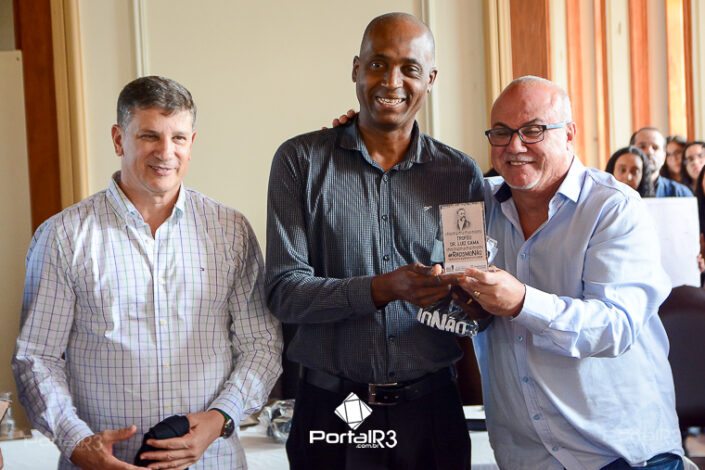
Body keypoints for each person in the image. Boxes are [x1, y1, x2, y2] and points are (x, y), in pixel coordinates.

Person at [13, 76, 283, 470]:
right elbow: (37, 357)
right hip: (103, 464)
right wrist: (77, 442)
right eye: (149, 136)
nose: (166, 152)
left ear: (192, 143)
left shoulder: (231, 232)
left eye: (179, 138)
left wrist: (220, 417)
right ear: (118, 139)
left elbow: (261, 343)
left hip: (213, 460)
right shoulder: (63, 236)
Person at [265, 12, 483, 470]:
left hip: (430, 410)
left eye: (410, 68)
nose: (392, 81)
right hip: (337, 406)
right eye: (378, 64)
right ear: (356, 69)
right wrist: (383, 288)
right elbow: (284, 292)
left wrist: (464, 296)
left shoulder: (459, 175)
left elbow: (470, 307)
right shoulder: (300, 162)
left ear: (431, 79)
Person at [457, 76, 683, 469]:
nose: (515, 146)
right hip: (527, 457)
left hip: (621, 453)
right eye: (502, 132)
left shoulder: (612, 208)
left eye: (533, 130)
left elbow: (616, 326)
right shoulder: (475, 208)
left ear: (569, 134)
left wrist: (522, 302)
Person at [631, 127, 692, 197]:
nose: (649, 152)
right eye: (642, 146)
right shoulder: (621, 191)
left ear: (664, 156)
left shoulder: (681, 193)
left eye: (655, 147)